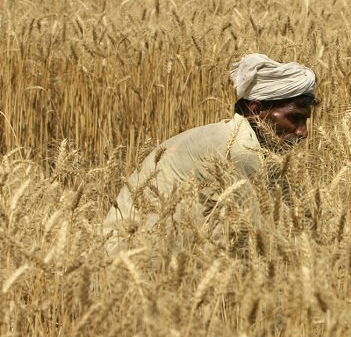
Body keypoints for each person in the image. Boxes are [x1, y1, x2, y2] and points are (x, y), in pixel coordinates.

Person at [102, 53, 316, 251]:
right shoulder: (238, 150)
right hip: (134, 258)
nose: (303, 132)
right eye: (294, 118)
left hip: (141, 252)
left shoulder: (238, 138)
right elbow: (261, 232)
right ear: (257, 110)